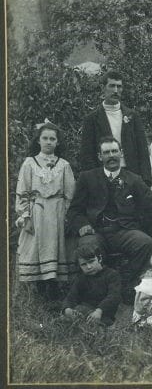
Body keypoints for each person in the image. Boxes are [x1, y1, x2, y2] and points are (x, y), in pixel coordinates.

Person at [66, 136, 152, 303]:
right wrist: (83, 224)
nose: (111, 155)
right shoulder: (87, 178)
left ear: (121, 153)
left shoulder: (134, 179)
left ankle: (126, 283)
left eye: (114, 151)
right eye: (106, 152)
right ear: (100, 156)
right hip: (96, 231)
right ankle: (95, 295)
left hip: (124, 231)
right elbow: (74, 210)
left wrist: (137, 225)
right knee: (87, 247)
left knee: (147, 244)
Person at [15, 121, 77, 300]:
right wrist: (25, 215)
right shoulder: (30, 163)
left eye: (52, 139)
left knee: (57, 248)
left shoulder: (63, 165)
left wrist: (67, 217)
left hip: (57, 213)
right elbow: (22, 192)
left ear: (58, 142)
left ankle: (54, 291)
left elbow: (70, 194)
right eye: (45, 138)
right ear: (38, 141)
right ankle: (38, 292)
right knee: (36, 248)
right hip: (38, 212)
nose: (49, 142)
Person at [79, 70, 152, 185]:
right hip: (103, 176)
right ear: (103, 88)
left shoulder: (133, 116)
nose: (116, 90)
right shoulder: (91, 119)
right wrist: (92, 182)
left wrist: (146, 180)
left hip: (130, 175)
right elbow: (87, 154)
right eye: (112, 86)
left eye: (119, 86)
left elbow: (142, 150)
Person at [62, 244, 121, 326]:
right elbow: (71, 296)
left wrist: (99, 311)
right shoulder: (81, 278)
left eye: (91, 261)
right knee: (66, 319)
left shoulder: (111, 275)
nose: (89, 267)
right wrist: (67, 309)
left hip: (105, 313)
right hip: (85, 311)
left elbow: (113, 296)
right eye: (84, 264)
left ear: (99, 258)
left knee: (99, 324)